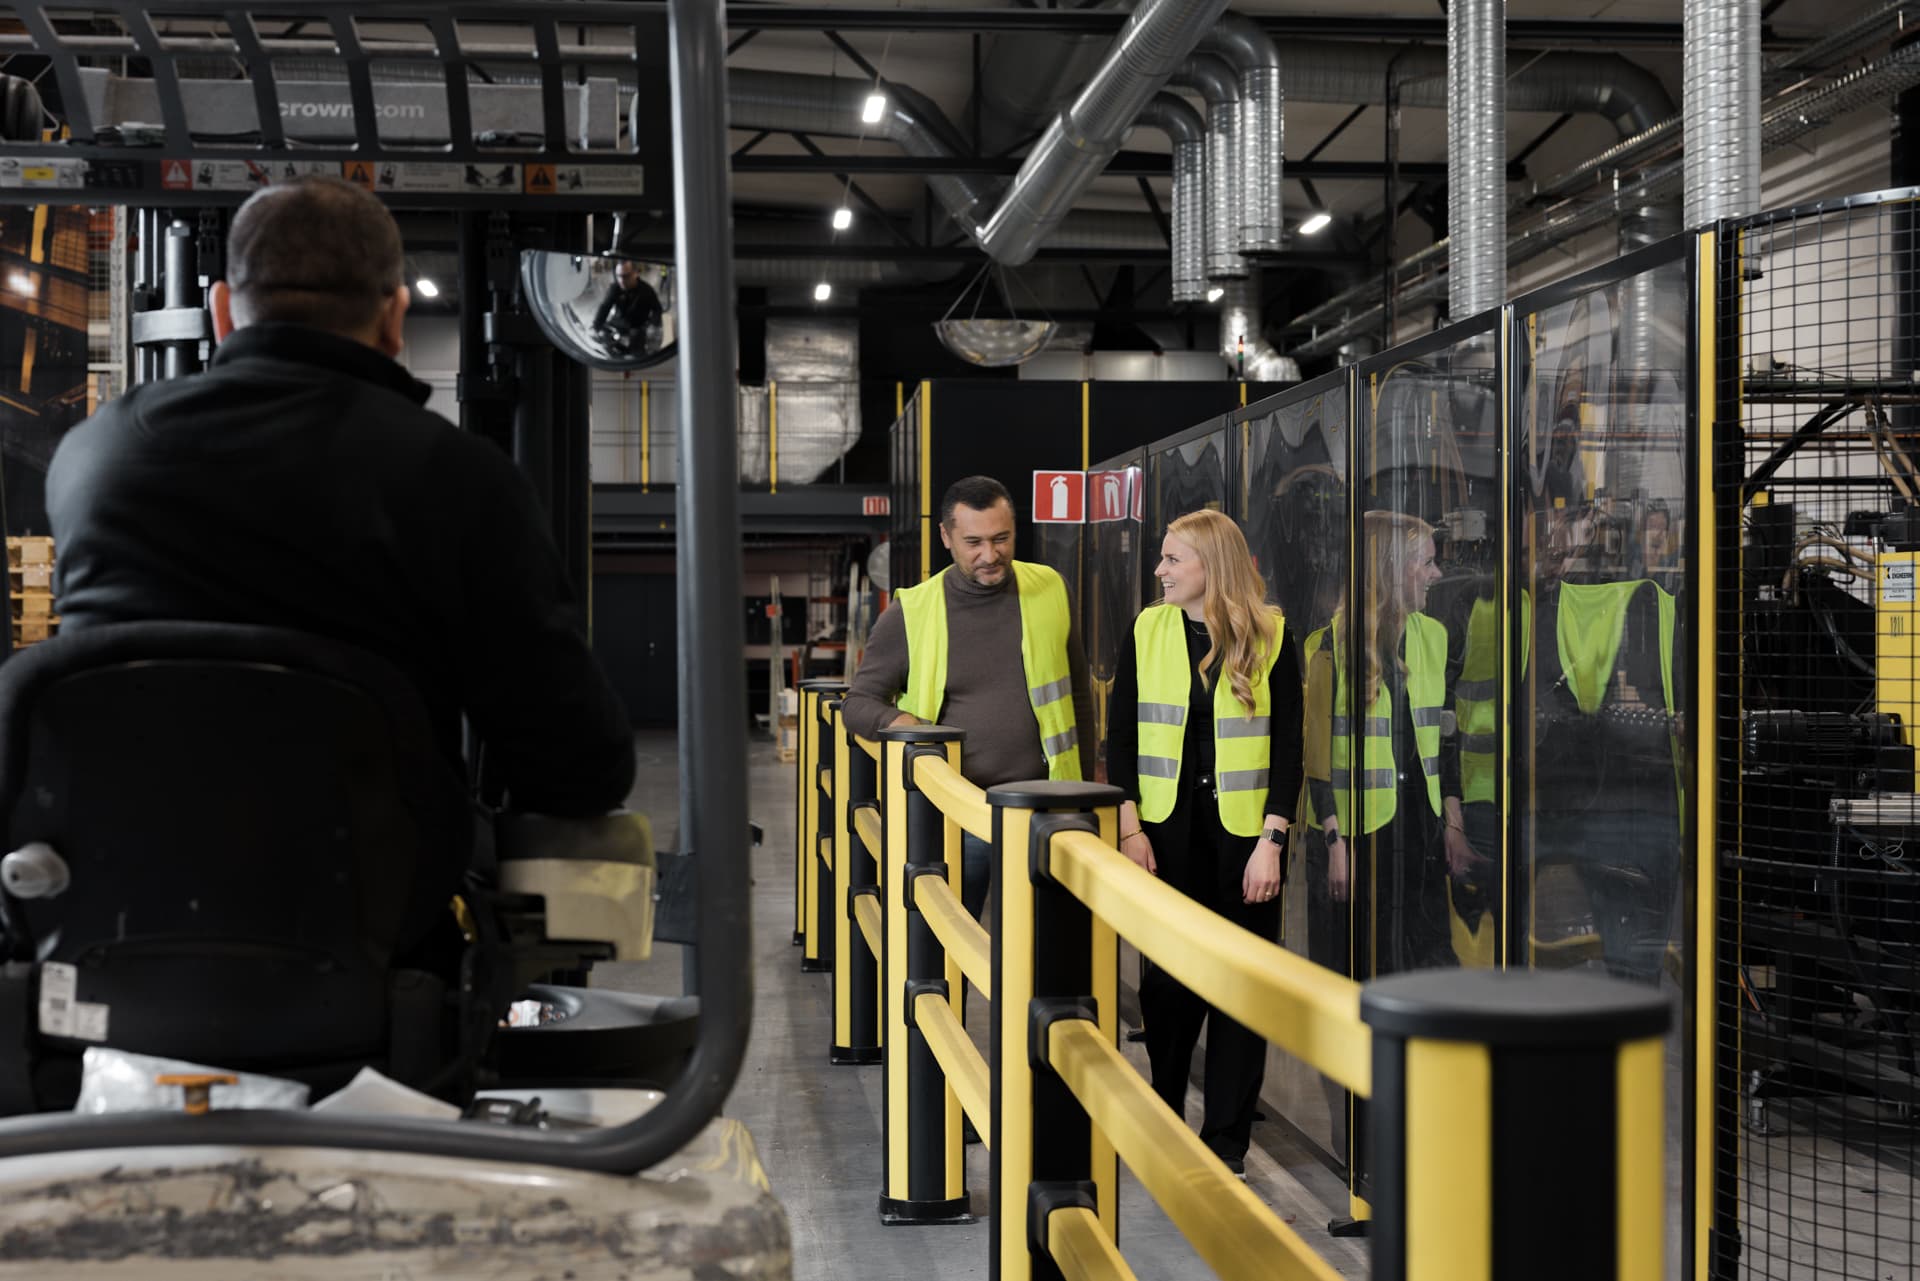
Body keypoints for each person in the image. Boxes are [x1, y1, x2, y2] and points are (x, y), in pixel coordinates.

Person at [47, 176, 635, 950]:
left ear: (223, 312)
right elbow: (580, 768)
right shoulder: (455, 477)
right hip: (375, 960)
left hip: (110, 934)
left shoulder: (95, 455)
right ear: (394, 318)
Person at [1105, 509, 1303, 1179]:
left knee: (1240, 992)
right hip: (1165, 836)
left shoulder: (1273, 637)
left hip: (1247, 841)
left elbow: (1290, 751)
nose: (1158, 570)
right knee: (1167, 988)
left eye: (1171, 559)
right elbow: (1121, 741)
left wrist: (1273, 840)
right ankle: (1162, 1111)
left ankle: (1226, 1142)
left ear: (1209, 569)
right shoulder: (1146, 629)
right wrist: (1129, 829)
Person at [840, 475, 1094, 919]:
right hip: (958, 813)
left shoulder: (1050, 587)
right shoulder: (912, 612)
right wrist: (911, 729)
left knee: (1049, 957)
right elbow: (857, 703)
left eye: (1002, 539)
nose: (990, 555)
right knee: (949, 948)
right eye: (973, 542)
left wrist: (1087, 793)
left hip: (1049, 807)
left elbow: (1078, 695)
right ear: (946, 537)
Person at [1310, 509, 1464, 980]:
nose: (1437, 574)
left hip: (1421, 831)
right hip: (1362, 837)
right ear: (1393, 569)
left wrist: (1453, 823)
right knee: (1362, 964)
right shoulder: (1329, 646)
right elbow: (1315, 760)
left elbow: (1445, 741)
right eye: (1427, 563)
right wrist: (1336, 844)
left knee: (1430, 959)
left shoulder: (1434, 637)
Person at [591, 260, 664, 356]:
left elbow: (657, 309)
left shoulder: (646, 291)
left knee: (637, 352)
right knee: (605, 344)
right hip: (618, 324)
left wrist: (652, 325)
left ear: (635, 274)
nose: (622, 280)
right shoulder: (615, 288)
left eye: (626, 276)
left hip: (637, 327)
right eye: (619, 276)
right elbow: (605, 307)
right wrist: (596, 326)